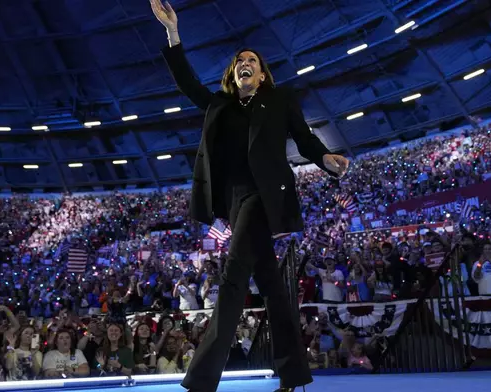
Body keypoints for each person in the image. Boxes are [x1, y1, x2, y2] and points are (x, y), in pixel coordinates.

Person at [149, 1, 350, 391]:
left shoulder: (278, 99)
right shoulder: (220, 105)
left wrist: (323, 157)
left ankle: (202, 380)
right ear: (233, 74)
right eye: (240, 60)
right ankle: (293, 376)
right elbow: (187, 82)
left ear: (261, 74)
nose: (246, 63)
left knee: (232, 279)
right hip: (235, 201)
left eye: (252, 60)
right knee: (273, 287)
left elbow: (305, 138)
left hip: (265, 195)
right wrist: (173, 32)